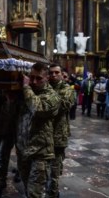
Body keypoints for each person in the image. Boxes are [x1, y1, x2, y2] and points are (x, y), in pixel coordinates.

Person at [15, 62, 60, 198]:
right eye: (31, 77)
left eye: (38, 78)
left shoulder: (52, 96)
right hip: (23, 150)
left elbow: (37, 108)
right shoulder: (27, 93)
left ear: (47, 78)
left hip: (40, 152)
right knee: (27, 188)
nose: (34, 81)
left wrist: (25, 87)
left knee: (35, 193)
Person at [46, 64, 75, 198]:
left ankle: (53, 192)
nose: (53, 75)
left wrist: (47, 93)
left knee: (55, 167)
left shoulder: (67, 89)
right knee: (43, 166)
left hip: (59, 133)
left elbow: (62, 106)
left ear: (62, 74)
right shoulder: (46, 87)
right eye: (51, 73)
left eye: (56, 72)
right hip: (44, 133)